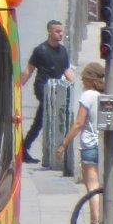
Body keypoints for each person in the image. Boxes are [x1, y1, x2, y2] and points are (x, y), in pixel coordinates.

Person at [56, 61, 106, 224]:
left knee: (92, 189)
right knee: (104, 188)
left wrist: (64, 144)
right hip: (105, 146)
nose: (82, 80)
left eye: (84, 76)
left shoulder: (88, 96)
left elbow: (79, 123)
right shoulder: (105, 95)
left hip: (90, 146)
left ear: (90, 78)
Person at [18, 19, 75, 163]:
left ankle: (24, 149)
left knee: (41, 121)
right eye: (57, 31)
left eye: (61, 31)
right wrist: (17, 87)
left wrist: (74, 84)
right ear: (49, 31)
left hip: (57, 88)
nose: (60, 34)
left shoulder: (62, 51)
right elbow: (29, 70)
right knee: (46, 116)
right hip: (42, 87)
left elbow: (67, 70)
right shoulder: (40, 50)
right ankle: (29, 150)